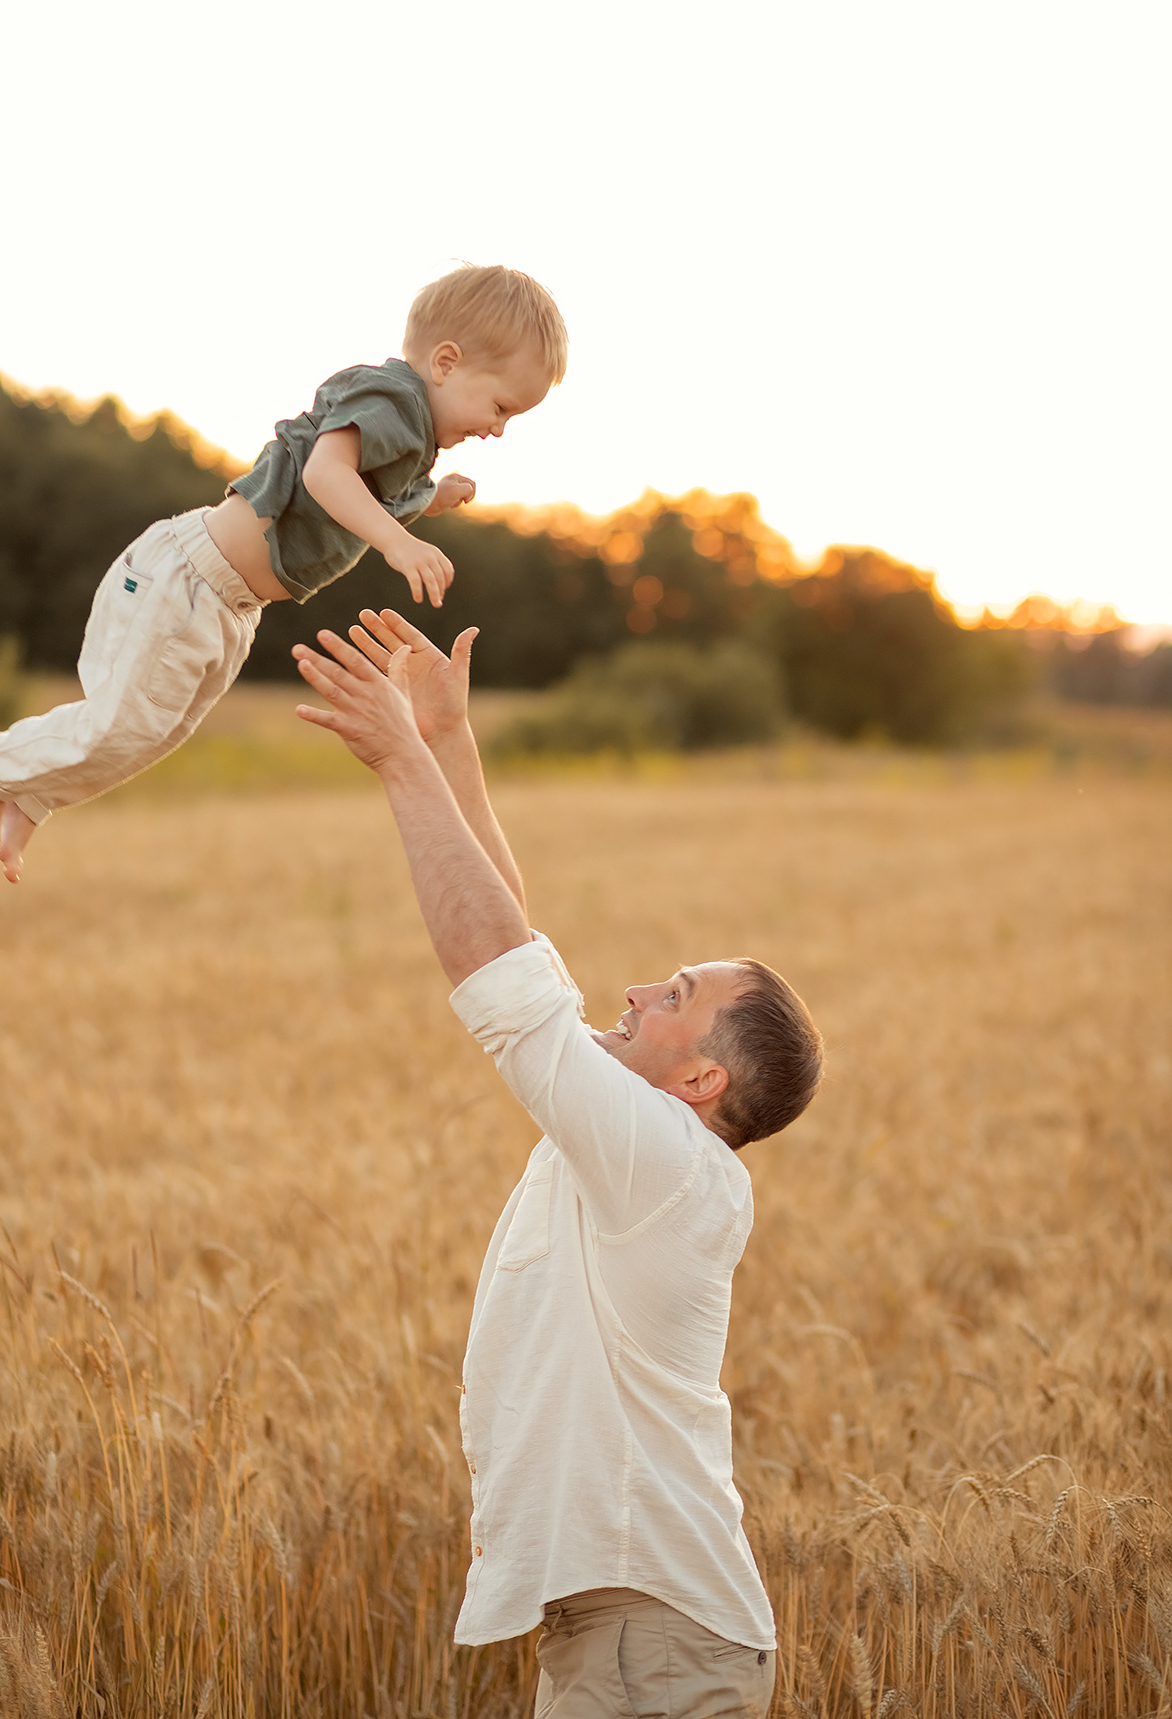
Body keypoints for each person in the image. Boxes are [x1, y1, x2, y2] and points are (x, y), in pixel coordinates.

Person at [293, 608, 824, 1719]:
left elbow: (502, 975)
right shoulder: (643, 1146)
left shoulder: (663, 1164)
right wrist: (448, 741)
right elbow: (523, 949)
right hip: (634, 1631)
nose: (635, 991)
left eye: (674, 995)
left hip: (653, 1640)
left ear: (701, 1081)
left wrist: (398, 757)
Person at [0, 264, 567, 882]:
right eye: (500, 407)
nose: (498, 429)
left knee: (151, 734)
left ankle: (28, 796)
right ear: (446, 362)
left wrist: (430, 497)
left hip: (230, 606)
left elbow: (372, 493)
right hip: (188, 581)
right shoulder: (391, 400)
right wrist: (398, 544)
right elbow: (325, 474)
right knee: (126, 723)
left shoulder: (408, 433)